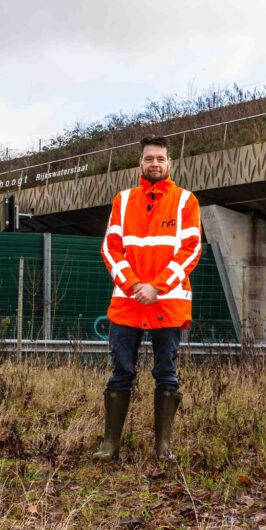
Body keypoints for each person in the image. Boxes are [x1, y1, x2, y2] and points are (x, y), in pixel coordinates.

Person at [96, 136, 202, 461]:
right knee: (120, 372)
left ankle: (163, 447)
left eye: (160, 158)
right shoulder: (123, 200)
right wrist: (133, 285)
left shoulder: (186, 201)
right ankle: (110, 445)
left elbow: (191, 249)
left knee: (166, 373)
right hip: (128, 304)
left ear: (169, 163)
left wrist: (156, 286)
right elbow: (110, 248)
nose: (154, 163)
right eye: (148, 159)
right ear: (140, 164)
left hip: (167, 304)